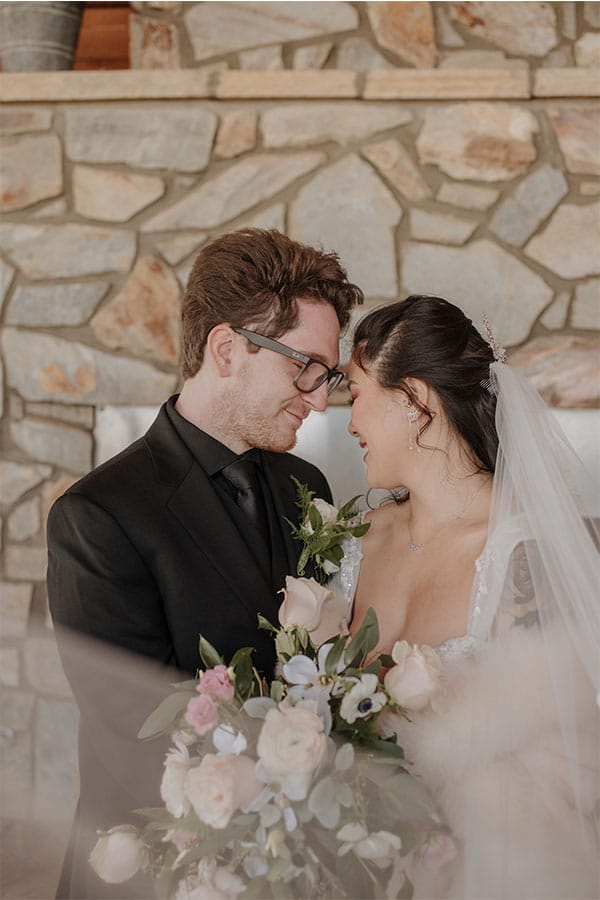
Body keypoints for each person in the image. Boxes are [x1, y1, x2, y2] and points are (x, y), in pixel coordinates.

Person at [46, 228, 363, 899]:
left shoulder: (310, 490)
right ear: (227, 349)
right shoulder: (97, 518)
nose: (320, 398)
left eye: (327, 375)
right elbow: (142, 740)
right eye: (305, 367)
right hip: (158, 870)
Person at [343, 295, 599, 899]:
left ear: (415, 401)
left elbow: (573, 774)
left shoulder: (524, 555)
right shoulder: (356, 540)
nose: (349, 421)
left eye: (354, 394)